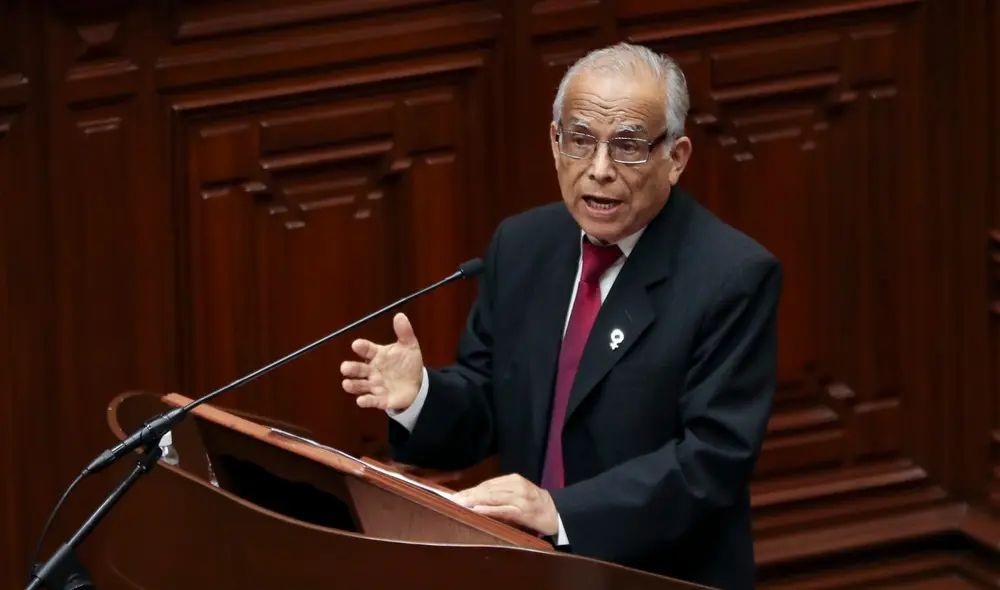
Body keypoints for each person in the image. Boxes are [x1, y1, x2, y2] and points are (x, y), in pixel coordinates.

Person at [340, 42, 782, 590]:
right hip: (528, 570)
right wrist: (420, 398)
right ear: (555, 144)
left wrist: (562, 511)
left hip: (656, 576)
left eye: (627, 147)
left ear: (677, 158)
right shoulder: (524, 245)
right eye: (580, 141)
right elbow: (485, 405)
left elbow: (712, 461)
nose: (599, 170)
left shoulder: (730, 276)